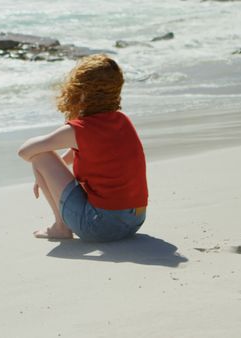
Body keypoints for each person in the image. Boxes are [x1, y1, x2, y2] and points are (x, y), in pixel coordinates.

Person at [17, 54, 148, 242]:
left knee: (41, 156)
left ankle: (61, 227)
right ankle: (62, 224)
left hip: (102, 226)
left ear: (80, 91)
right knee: (46, 158)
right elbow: (87, 150)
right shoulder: (122, 121)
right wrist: (48, 175)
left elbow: (24, 151)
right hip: (135, 220)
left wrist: (44, 170)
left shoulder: (79, 130)